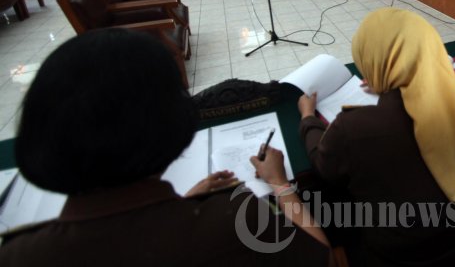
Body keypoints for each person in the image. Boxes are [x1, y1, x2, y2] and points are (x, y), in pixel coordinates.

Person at [0, 29, 331, 266]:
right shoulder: (232, 221)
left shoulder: (18, 254)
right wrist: (280, 184)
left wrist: (182, 203)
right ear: (169, 126)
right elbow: (321, 254)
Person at [298, 8, 455, 266]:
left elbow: (323, 165)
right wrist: (388, 85)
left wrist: (307, 117)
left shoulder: (353, 127)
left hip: (398, 256)